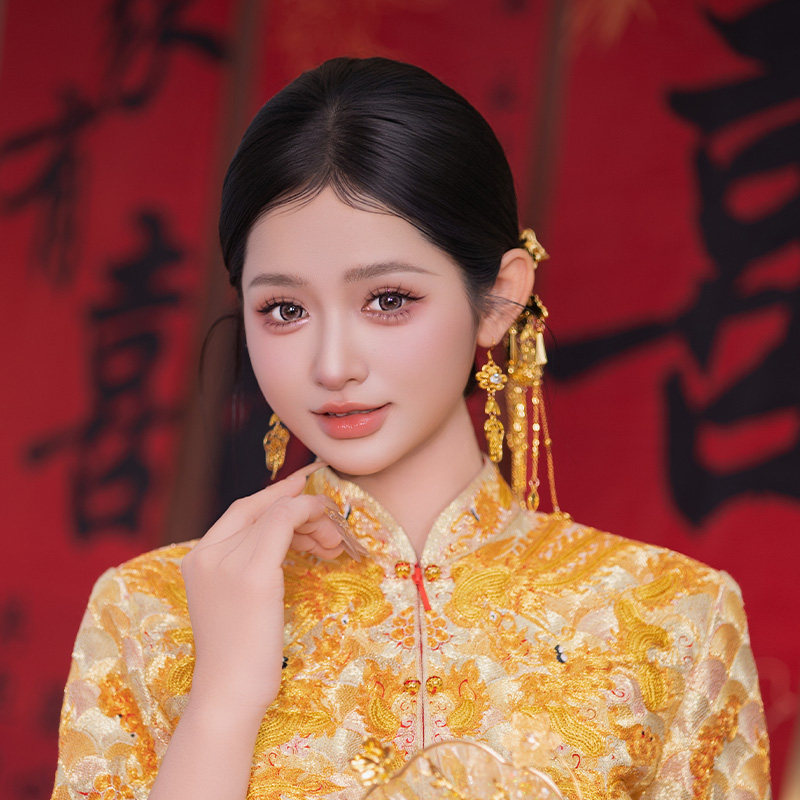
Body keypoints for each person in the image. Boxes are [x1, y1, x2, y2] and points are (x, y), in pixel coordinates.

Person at [50, 57, 771, 800]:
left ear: (500, 299)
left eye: (388, 299)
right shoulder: (150, 612)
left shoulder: (673, 615)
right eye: (285, 310)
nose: (332, 366)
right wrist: (224, 699)